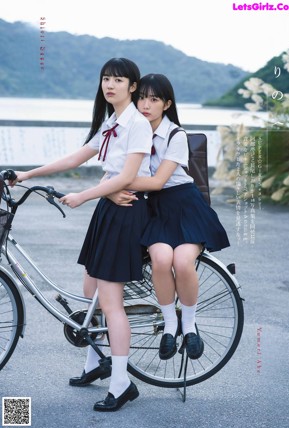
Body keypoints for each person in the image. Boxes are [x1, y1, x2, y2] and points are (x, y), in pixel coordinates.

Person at [9, 58, 153, 412]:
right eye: (106, 78)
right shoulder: (112, 122)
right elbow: (77, 158)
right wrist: (27, 174)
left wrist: (84, 195)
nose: (110, 85)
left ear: (133, 86)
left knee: (110, 302)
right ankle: (96, 363)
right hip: (109, 210)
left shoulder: (138, 124)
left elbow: (126, 176)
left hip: (126, 213)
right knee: (90, 289)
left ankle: (121, 385)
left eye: (119, 80)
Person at [109, 73, 230, 361]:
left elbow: (159, 181)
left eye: (154, 99)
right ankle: (169, 325)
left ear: (167, 104)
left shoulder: (176, 135)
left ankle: (189, 327)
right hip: (156, 210)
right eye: (141, 98)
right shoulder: (131, 131)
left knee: (182, 261)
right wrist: (114, 183)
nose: (145, 105)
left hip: (185, 206)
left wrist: (116, 183)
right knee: (161, 260)